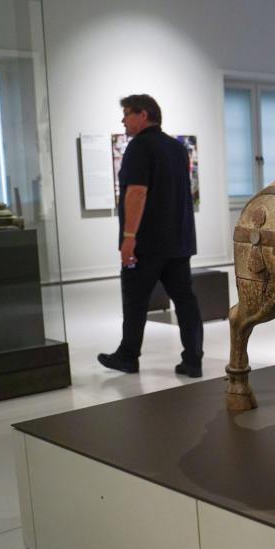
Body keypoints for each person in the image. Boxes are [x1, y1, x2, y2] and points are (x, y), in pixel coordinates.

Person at [97, 94, 203, 377]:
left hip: (147, 243)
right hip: (178, 242)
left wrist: (129, 237)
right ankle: (193, 359)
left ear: (143, 114)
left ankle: (128, 356)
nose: (123, 120)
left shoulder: (139, 148)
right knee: (185, 300)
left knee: (135, 301)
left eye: (127, 113)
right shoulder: (177, 148)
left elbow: (136, 193)